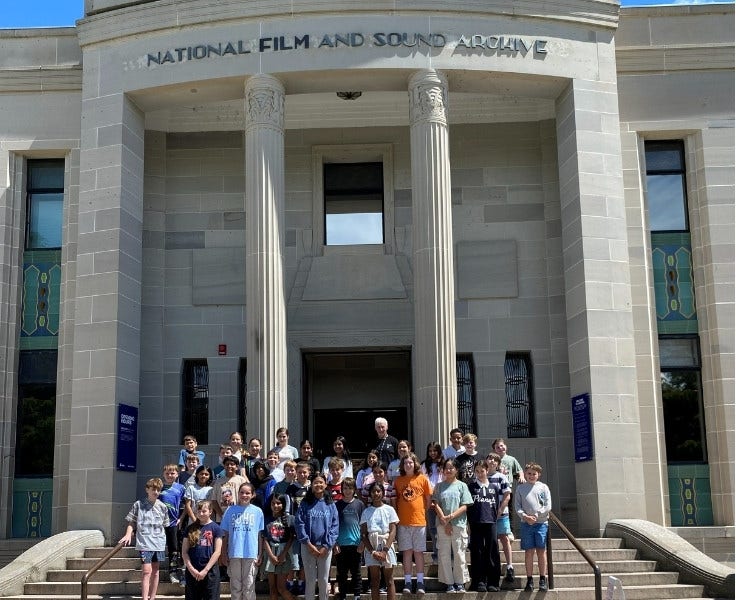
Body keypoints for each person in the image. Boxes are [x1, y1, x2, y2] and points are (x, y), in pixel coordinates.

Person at [119, 477, 169, 600]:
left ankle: (152, 597)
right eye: (153, 489)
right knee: (147, 571)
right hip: (144, 543)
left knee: (156, 571)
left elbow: (165, 525)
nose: (156, 492)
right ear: (147, 489)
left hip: (158, 542)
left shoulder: (163, 507)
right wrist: (128, 534)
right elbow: (132, 522)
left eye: (158, 490)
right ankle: (144, 598)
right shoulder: (138, 504)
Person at [466, 459, 509, 592]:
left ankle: (493, 581)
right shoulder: (471, 487)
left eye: (482, 471)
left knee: (492, 551)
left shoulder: (494, 488)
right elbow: (468, 506)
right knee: (477, 552)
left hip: (490, 522)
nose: (480, 474)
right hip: (476, 522)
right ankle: (479, 581)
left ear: (487, 471)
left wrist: (498, 514)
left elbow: (496, 504)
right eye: (477, 471)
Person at [295, 473, 339, 600]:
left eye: (321, 482)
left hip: (325, 548)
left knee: (324, 580)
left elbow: (335, 526)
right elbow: (299, 523)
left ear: (325, 485)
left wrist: (326, 546)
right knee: (310, 580)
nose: (318, 485)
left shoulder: (330, 504)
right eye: (316, 482)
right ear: (311, 485)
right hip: (308, 546)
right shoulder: (305, 503)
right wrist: (308, 544)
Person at [431, 458, 473, 594]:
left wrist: (450, 518)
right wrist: (444, 520)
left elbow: (465, 505)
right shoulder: (439, 486)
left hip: (459, 525)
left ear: (456, 470)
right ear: (442, 470)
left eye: (451, 468)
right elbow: (435, 504)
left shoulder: (462, 486)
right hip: (442, 524)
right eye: (446, 468)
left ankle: (460, 582)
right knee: (444, 554)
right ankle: (449, 583)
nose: (448, 470)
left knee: (460, 554)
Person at [393, 452, 431, 594]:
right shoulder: (398, 481)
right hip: (403, 523)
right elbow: (395, 500)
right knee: (407, 553)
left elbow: (428, 499)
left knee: (419, 553)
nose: (408, 465)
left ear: (415, 464)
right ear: (402, 465)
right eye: (405, 463)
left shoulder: (422, 479)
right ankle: (408, 581)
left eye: (411, 462)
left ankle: (420, 581)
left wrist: (421, 513)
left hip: (419, 522)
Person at [221, 482, 265, 600]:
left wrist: (260, 554)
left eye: (247, 493)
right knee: (235, 587)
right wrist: (223, 554)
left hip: (251, 553)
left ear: (253, 495)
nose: (244, 495)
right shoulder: (230, 511)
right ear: (238, 494)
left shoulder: (257, 511)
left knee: (249, 586)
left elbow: (260, 534)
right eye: (242, 492)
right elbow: (225, 534)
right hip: (234, 552)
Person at [491, 438, 524, 584]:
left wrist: (521, 477)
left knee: (508, 515)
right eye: (497, 447)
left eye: (502, 446)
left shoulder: (511, 460)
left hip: (506, 492)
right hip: (492, 502)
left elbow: (519, 471)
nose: (500, 448)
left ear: (506, 447)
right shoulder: (491, 465)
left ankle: (508, 533)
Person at [514, 463, 551, 592]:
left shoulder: (543, 487)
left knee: (541, 550)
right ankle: (529, 580)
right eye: (529, 473)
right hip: (526, 524)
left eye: (534, 474)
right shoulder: (520, 488)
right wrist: (524, 516)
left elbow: (547, 505)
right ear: (525, 473)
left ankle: (542, 578)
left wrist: (536, 514)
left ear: (538, 475)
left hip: (541, 523)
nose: (531, 476)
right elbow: (517, 506)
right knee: (529, 551)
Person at [360, 482, 399, 600]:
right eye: (373, 492)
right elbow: (363, 534)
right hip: (372, 545)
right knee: (375, 581)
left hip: (386, 544)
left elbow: (392, 531)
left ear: (383, 493)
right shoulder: (367, 511)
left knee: (389, 580)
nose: (376, 494)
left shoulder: (390, 509)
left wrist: (385, 550)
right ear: (370, 494)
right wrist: (373, 552)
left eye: (378, 491)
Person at [182, 499, 224, 600]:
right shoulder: (190, 528)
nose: (201, 513)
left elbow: (217, 552)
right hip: (193, 571)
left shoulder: (216, 528)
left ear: (210, 511)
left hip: (210, 572)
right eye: (198, 511)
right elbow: (184, 552)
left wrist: (205, 570)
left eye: (204, 511)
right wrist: (191, 569)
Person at [262, 494, 297, 600]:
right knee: (272, 589)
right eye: (273, 503)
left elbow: (291, 538)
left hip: (284, 554)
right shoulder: (266, 519)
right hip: (270, 554)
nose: (276, 506)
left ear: (283, 504)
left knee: (281, 588)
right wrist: (271, 556)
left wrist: (283, 554)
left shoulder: (288, 519)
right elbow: (265, 539)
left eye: (279, 503)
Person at [334, 478, 364, 600]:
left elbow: (364, 525)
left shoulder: (359, 504)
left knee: (356, 573)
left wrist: (362, 541)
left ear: (354, 490)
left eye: (350, 488)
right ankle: (342, 596)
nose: (347, 491)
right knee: (341, 573)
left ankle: (357, 596)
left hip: (355, 544)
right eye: (345, 488)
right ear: (342, 489)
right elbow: (333, 525)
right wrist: (334, 542)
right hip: (340, 545)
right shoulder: (337, 505)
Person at [160, 463, 187, 584]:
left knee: (174, 548)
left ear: (177, 474)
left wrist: (181, 518)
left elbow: (186, 505)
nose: (170, 475)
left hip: (173, 522)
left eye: (172, 473)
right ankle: (156, 569)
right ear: (163, 474)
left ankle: (173, 572)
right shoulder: (159, 487)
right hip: (159, 524)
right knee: (158, 547)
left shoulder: (181, 488)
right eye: (167, 473)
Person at [420, 442, 444, 564]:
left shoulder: (444, 464)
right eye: (430, 451)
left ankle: (446, 555)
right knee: (434, 529)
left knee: (444, 528)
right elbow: (423, 481)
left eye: (435, 450)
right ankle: (436, 556)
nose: (432, 453)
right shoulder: (424, 465)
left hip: (443, 499)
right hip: (430, 499)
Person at [212, 456, 248, 522]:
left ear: (237, 467)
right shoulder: (218, 481)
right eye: (227, 464)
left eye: (232, 464)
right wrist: (221, 515)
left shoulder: (242, 480)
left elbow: (247, 498)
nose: (229, 466)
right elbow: (214, 500)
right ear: (224, 466)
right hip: (221, 518)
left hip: (238, 517)